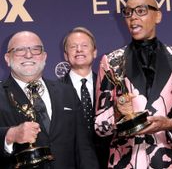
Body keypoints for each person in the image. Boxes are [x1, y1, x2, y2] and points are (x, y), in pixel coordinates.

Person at [94, 0, 172, 169]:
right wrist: (117, 112)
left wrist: (169, 124)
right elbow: (100, 126)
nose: (133, 17)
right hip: (125, 162)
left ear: (158, 16)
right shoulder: (111, 62)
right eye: (128, 12)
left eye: (141, 11)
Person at [0, 31, 99, 169]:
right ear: (7, 58)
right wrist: (9, 135)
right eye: (19, 50)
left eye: (35, 49)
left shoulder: (67, 92)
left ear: (44, 56)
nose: (28, 55)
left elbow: (84, 148)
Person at [60, 26, 110, 168]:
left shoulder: (109, 87)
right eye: (73, 46)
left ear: (95, 52)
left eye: (84, 46)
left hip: (106, 162)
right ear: (65, 55)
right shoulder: (54, 91)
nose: (79, 50)